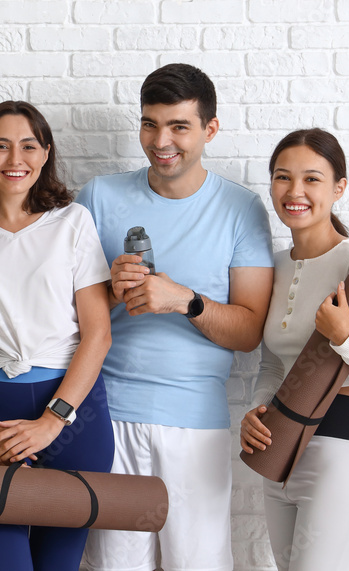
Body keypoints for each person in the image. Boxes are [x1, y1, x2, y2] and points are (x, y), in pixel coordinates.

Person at [77, 63, 275, 571]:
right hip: (108, 418)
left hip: (194, 426)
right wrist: (108, 291)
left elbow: (250, 330)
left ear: (210, 129)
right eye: (150, 124)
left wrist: (185, 300)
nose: (161, 140)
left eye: (179, 126)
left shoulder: (241, 208)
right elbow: (57, 311)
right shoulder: (99, 197)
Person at [0, 100, 115, 571]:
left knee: (59, 565)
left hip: (75, 419)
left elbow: (97, 336)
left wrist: (53, 422)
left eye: (29, 146)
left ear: (46, 153)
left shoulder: (74, 223)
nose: (16, 159)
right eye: (2, 146)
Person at [240, 129, 349, 571]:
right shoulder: (272, 266)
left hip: (342, 450)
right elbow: (273, 363)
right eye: (282, 177)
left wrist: (345, 337)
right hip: (278, 448)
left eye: (311, 179)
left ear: (339, 188)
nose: (294, 192)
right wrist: (258, 409)